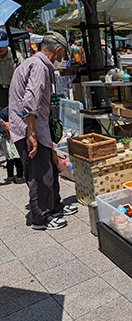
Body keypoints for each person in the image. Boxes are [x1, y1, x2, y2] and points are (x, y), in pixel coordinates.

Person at [9, 31, 78, 230]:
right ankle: (41, 218)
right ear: (58, 51)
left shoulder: (32, 63)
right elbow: (30, 103)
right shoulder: (39, 66)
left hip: (34, 127)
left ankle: (54, 205)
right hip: (30, 129)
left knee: (48, 169)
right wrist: (31, 134)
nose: (63, 59)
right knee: (39, 174)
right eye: (63, 54)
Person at [0, 29, 24, 109]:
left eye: (3, 45)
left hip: (13, 90)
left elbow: (24, 75)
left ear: (7, 44)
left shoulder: (16, 56)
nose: (1, 48)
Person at [0, 107, 24, 184]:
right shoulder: (9, 111)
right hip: (13, 138)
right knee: (16, 159)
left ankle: (11, 176)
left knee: (10, 159)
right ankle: (18, 177)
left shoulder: (4, 111)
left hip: (8, 138)